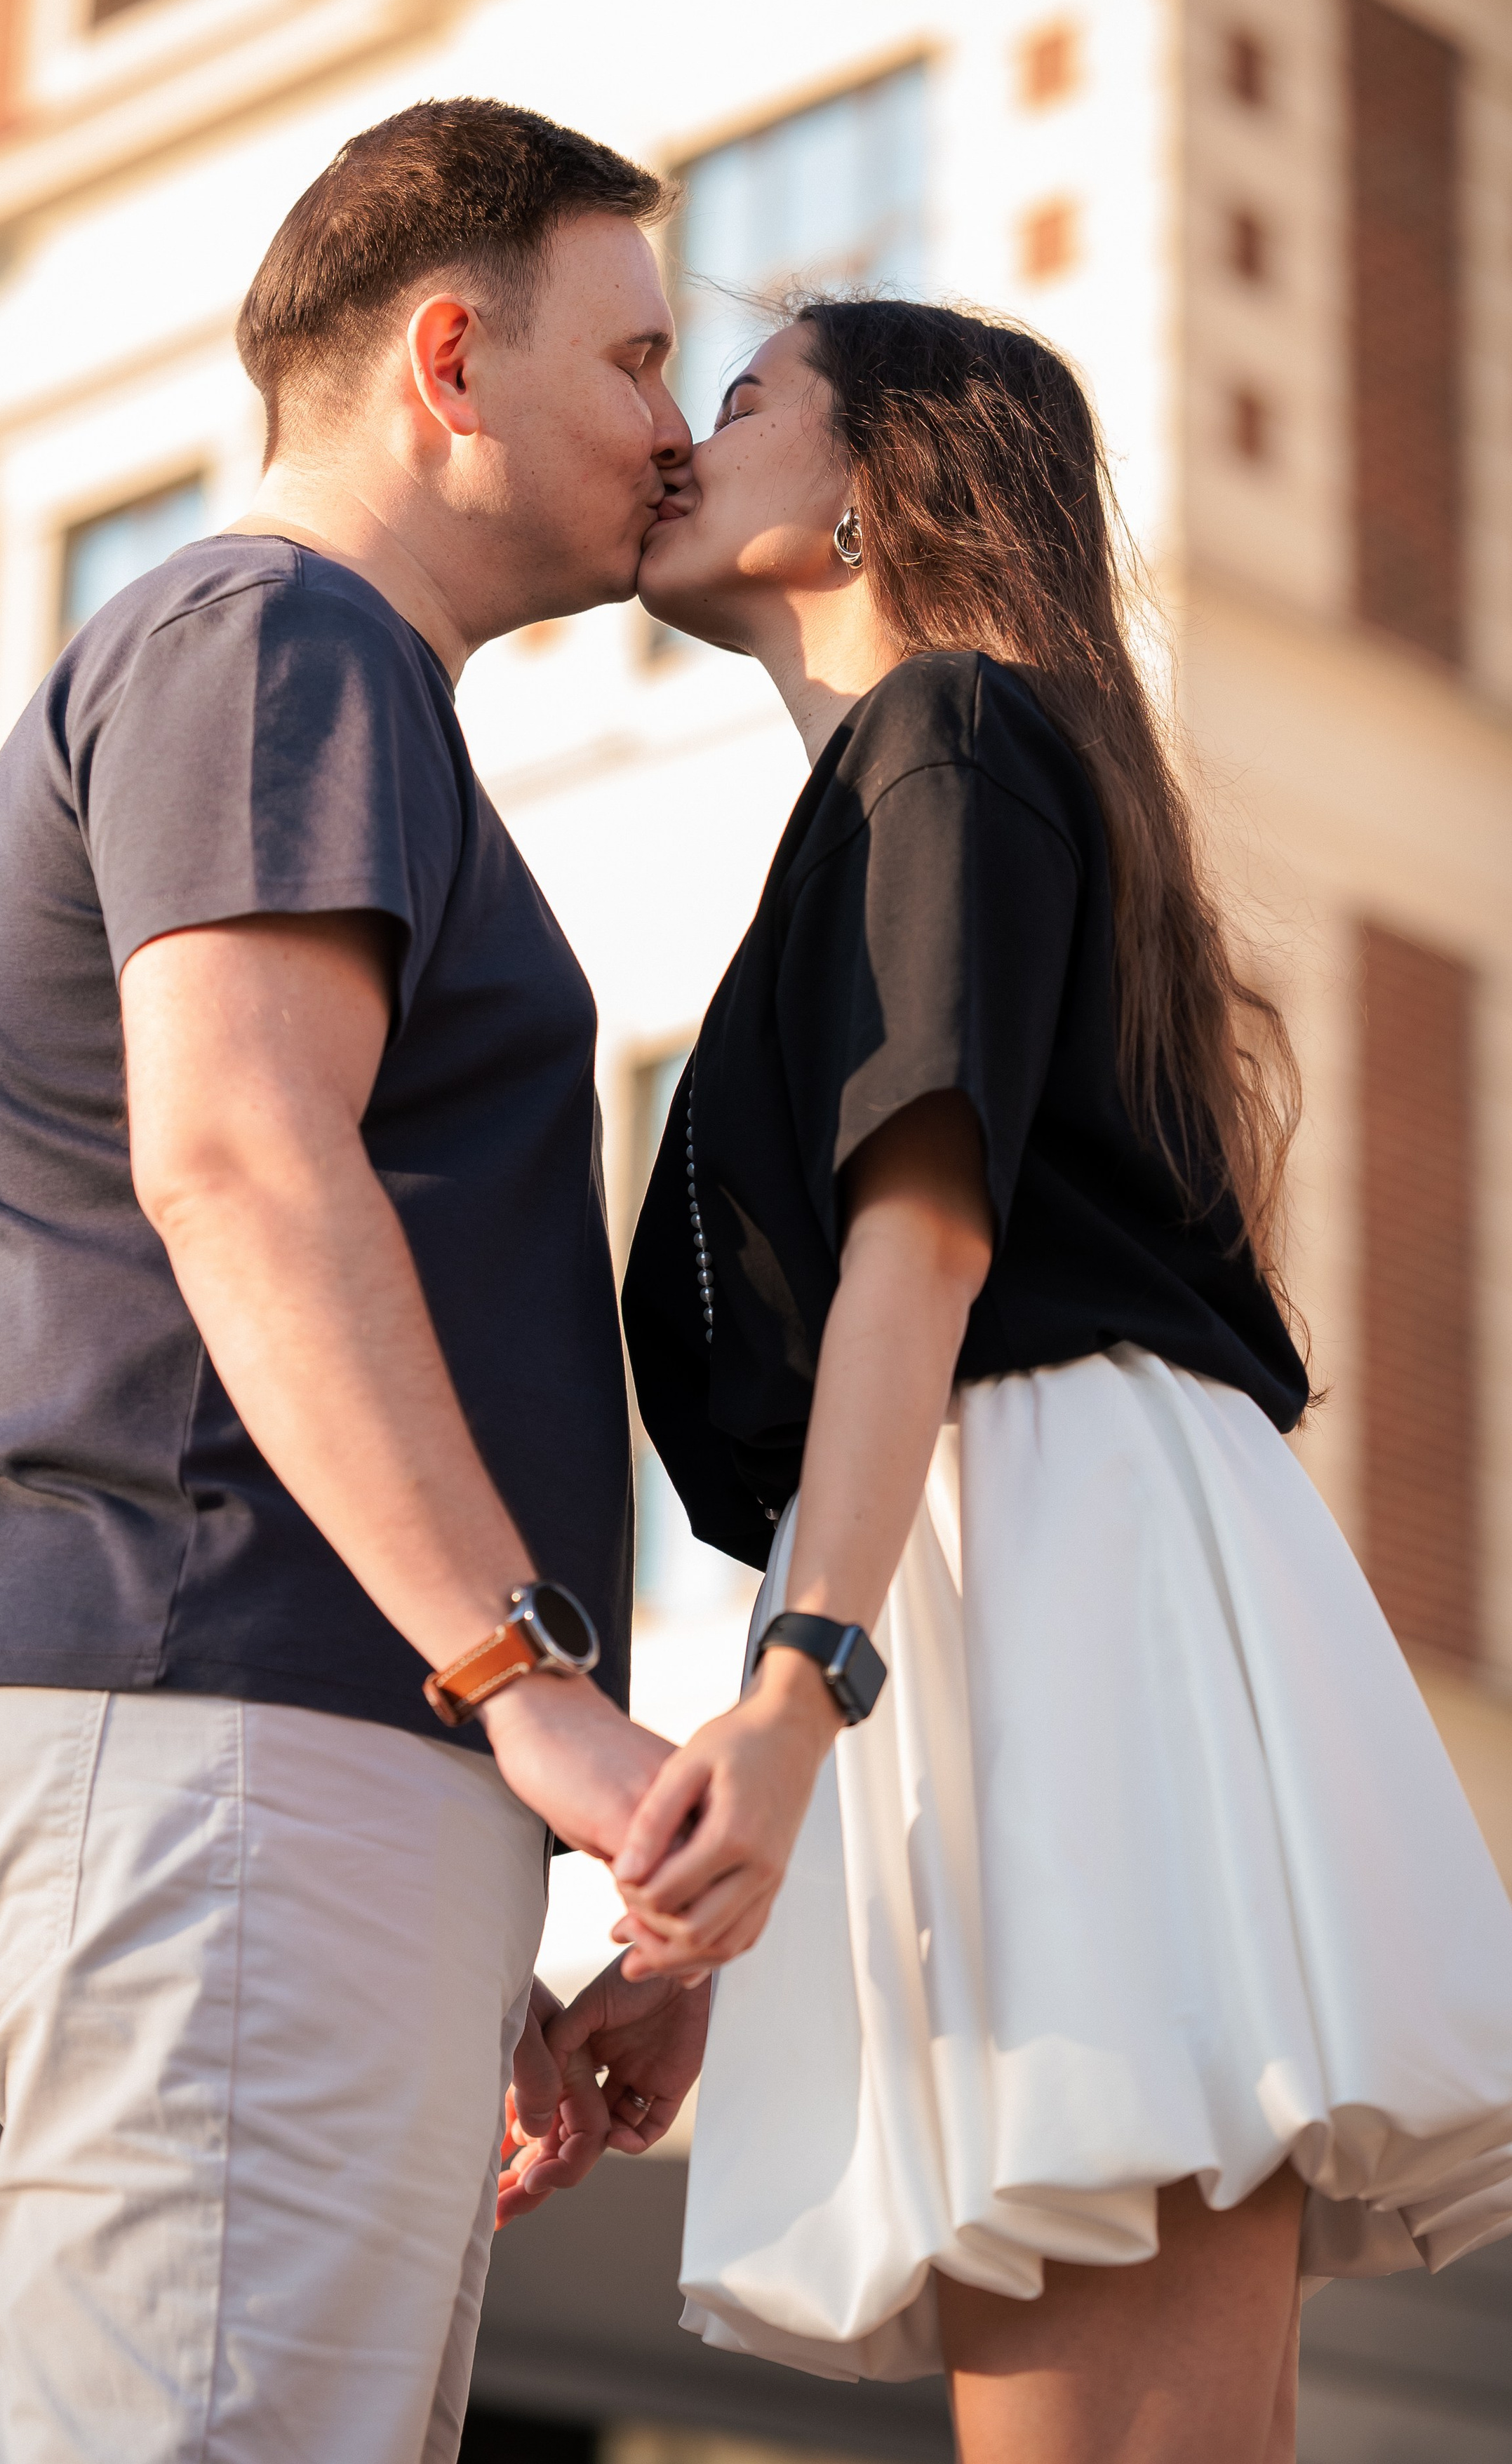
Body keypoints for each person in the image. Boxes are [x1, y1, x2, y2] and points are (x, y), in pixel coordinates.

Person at [513, 299, 1512, 2463]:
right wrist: (708, 1928)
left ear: (873, 493)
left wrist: (795, 1699)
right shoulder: (942, 769)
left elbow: (928, 1244)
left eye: (745, 399)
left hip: (1035, 1581)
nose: (687, 436)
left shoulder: (947, 735)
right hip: (1014, 1583)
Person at [0, 97, 701, 2464]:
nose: (670, 427)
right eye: (636, 358)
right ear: (450, 361)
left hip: (264, 1737)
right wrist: (520, 1683)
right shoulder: (279, 635)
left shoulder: (317, 672)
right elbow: (236, 1155)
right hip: (227, 1702)